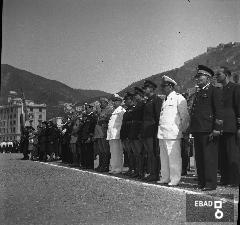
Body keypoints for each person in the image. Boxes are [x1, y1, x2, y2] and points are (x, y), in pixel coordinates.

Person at [190, 65, 224, 191]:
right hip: (198, 129)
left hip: (209, 129)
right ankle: (202, 182)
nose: (197, 79)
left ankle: (210, 183)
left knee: (209, 158)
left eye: (200, 76)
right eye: (197, 77)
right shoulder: (198, 92)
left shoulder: (214, 91)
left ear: (208, 77)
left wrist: (217, 128)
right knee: (199, 157)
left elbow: (219, 111)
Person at [157, 76, 190, 186]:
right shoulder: (165, 100)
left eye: (165, 86)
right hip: (162, 133)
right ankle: (165, 177)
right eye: (162, 86)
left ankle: (175, 178)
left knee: (174, 157)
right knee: (164, 157)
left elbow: (184, 117)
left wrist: (182, 130)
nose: (163, 88)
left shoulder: (178, 98)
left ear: (171, 86)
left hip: (173, 133)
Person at [215, 66, 240, 186]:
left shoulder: (235, 88)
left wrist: (239, 126)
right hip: (220, 126)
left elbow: (238, 108)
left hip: (231, 126)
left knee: (232, 154)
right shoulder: (219, 90)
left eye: (218, 74)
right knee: (222, 154)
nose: (216, 77)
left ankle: (235, 180)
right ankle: (224, 178)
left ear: (226, 75)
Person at [140, 80, 163, 181]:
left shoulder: (156, 100)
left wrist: (157, 131)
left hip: (153, 131)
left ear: (152, 89)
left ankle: (155, 174)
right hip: (146, 131)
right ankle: (151, 172)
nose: (144, 90)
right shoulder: (148, 101)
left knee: (153, 153)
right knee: (149, 153)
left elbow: (158, 117)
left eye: (146, 88)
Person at [128, 87, 145, 179]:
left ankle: (141, 171)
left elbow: (143, 119)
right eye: (135, 95)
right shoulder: (137, 105)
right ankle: (137, 170)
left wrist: (140, 132)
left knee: (140, 152)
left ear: (141, 95)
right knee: (135, 153)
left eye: (136, 94)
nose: (135, 96)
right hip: (133, 130)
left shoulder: (143, 104)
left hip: (138, 129)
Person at [107, 94, 126, 174]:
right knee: (113, 152)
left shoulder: (121, 111)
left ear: (120, 102)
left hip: (117, 134)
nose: (114, 103)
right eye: (113, 101)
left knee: (118, 152)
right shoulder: (114, 111)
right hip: (112, 135)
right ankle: (113, 167)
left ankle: (118, 168)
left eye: (116, 101)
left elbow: (122, 123)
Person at [94, 98, 114, 172]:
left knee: (105, 149)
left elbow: (109, 119)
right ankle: (101, 165)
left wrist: (103, 119)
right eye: (100, 103)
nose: (100, 104)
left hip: (104, 131)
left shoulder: (109, 110)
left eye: (102, 102)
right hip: (99, 131)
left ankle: (105, 166)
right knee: (101, 150)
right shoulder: (101, 111)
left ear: (106, 103)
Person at [120, 92, 135, 176]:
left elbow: (132, 124)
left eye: (127, 100)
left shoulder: (133, 109)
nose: (125, 102)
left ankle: (134, 169)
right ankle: (131, 168)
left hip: (130, 134)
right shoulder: (126, 111)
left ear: (131, 100)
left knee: (133, 152)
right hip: (125, 134)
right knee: (128, 153)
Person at [80, 104, 97, 169]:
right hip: (84, 136)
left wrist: (90, 136)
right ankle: (85, 164)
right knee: (84, 151)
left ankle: (90, 165)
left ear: (91, 109)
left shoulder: (93, 116)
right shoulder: (86, 116)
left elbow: (92, 128)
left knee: (89, 151)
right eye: (85, 109)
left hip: (89, 136)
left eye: (87, 109)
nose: (86, 110)